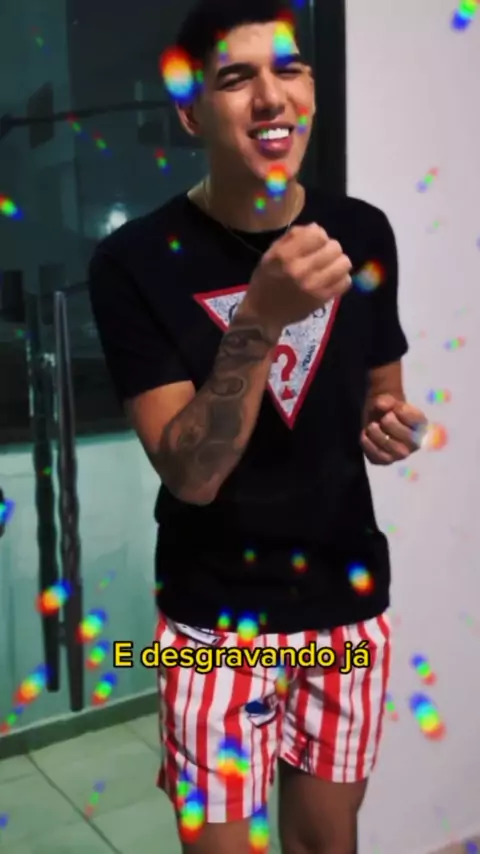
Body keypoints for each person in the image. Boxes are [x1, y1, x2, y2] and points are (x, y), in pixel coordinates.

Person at [88, 0, 427, 851]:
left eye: (289, 69)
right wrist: (262, 317)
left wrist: (389, 424)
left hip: (345, 603)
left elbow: (382, 392)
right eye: (237, 78)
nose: (272, 98)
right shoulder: (133, 261)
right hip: (212, 619)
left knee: (326, 842)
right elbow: (192, 474)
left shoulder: (361, 231)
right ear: (191, 113)